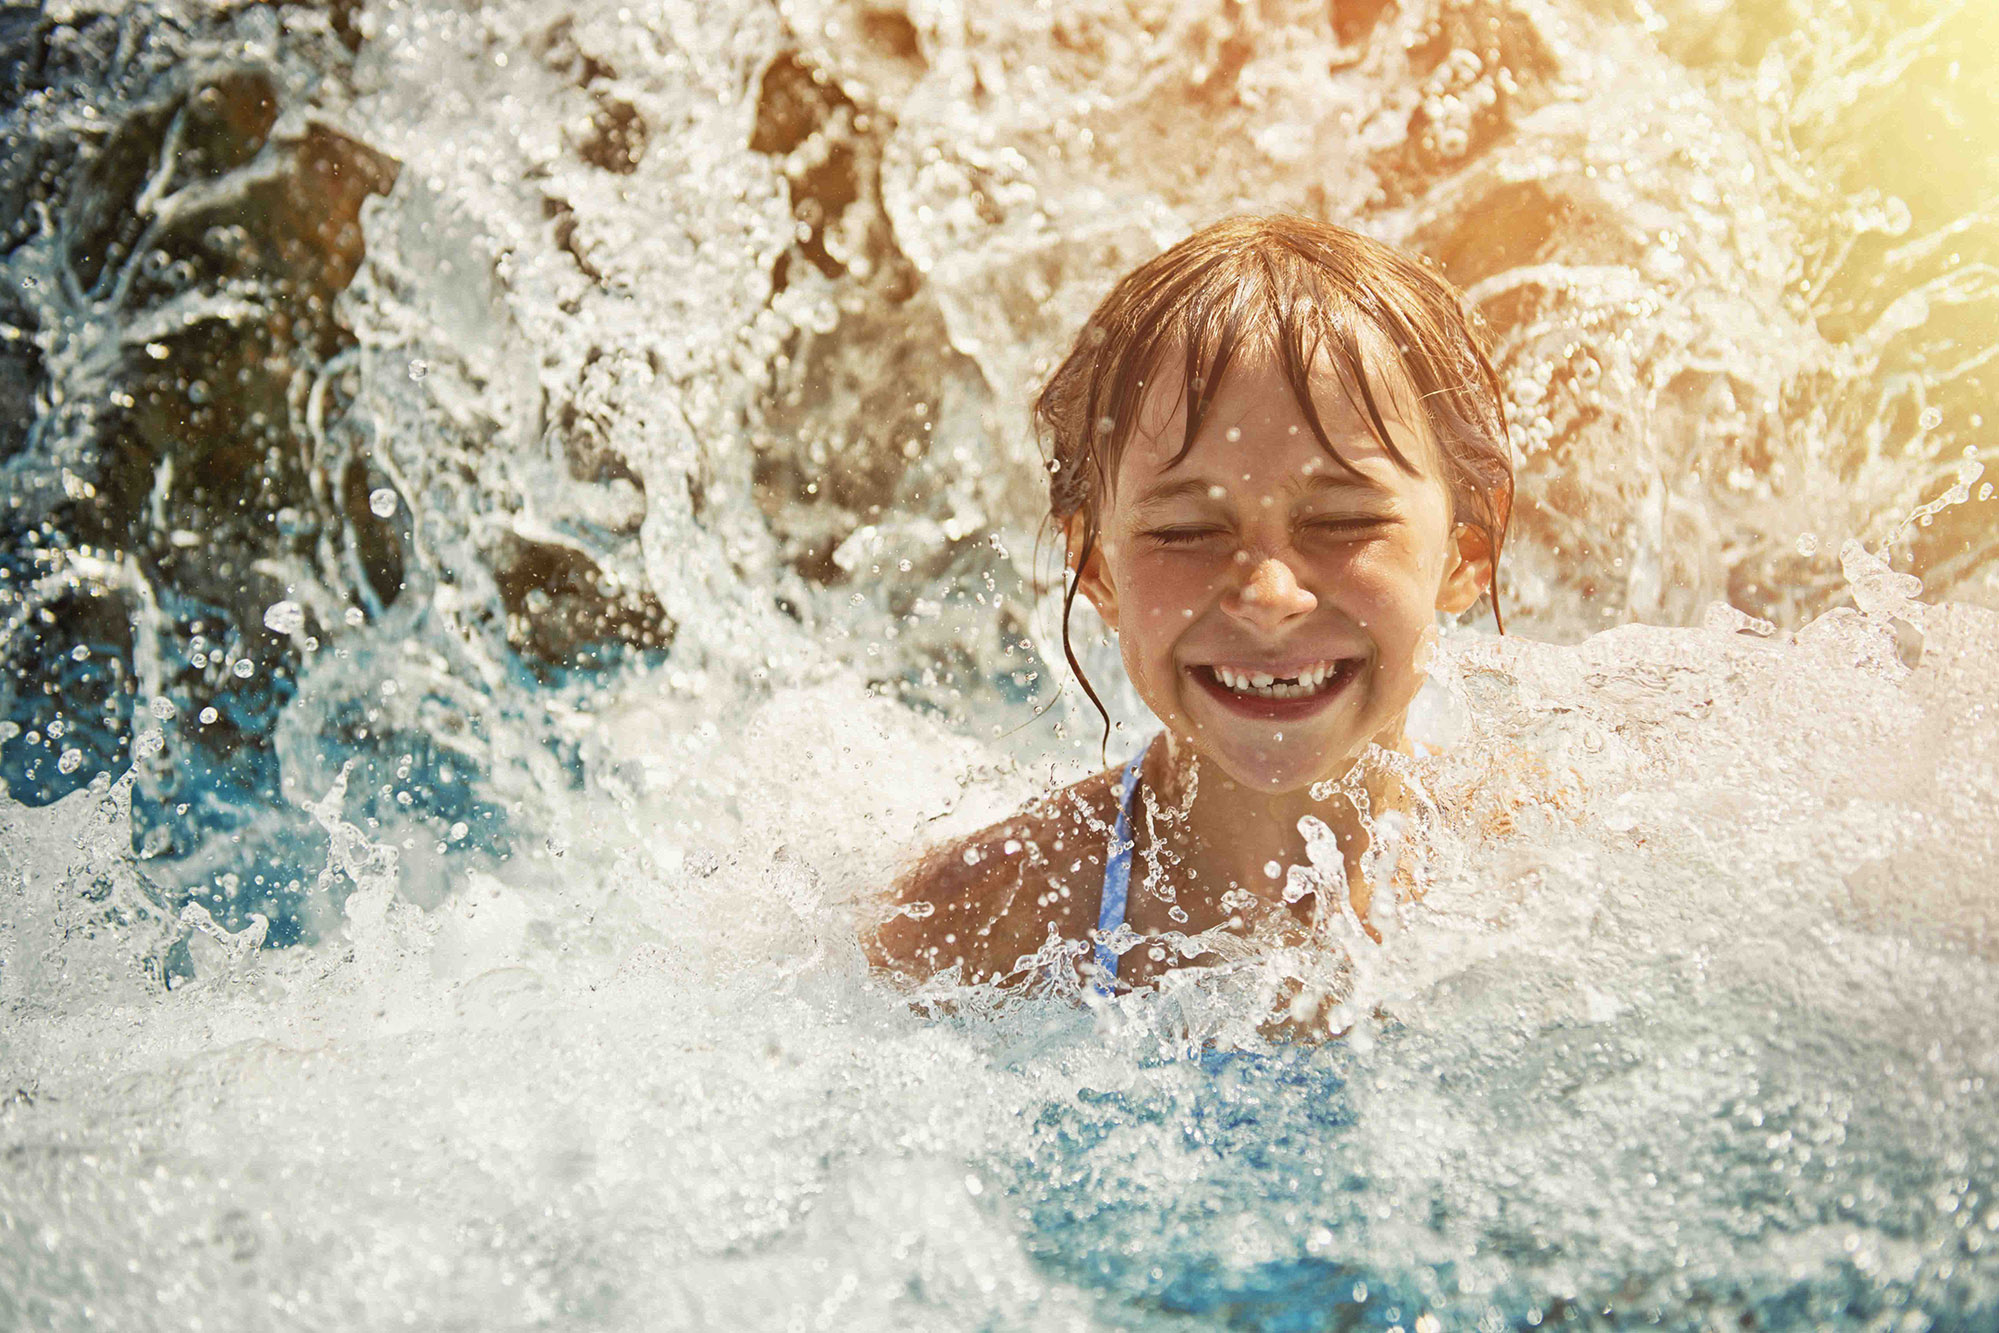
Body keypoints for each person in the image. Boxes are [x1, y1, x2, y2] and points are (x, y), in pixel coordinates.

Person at [868, 214, 1515, 1002]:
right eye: (1187, 530)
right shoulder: (978, 927)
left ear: (1464, 553)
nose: (1269, 596)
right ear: (1096, 568)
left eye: (1341, 521)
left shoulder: (1550, 874)